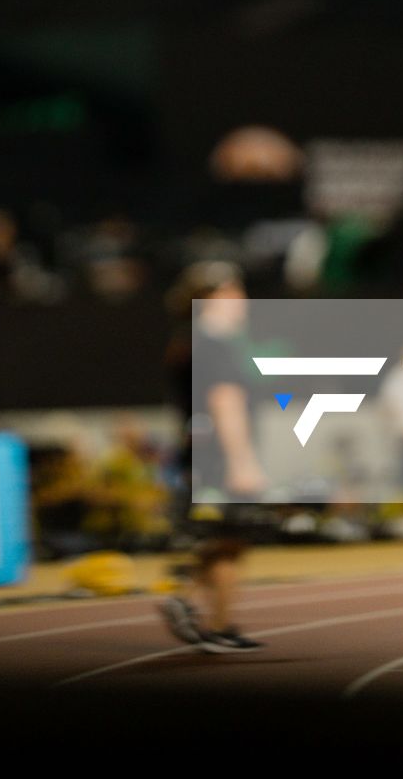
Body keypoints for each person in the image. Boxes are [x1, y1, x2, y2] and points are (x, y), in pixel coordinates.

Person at [157, 262, 265, 654]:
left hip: (200, 451)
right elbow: (225, 401)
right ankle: (201, 610)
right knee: (225, 538)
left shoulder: (189, 341)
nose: (244, 300)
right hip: (218, 455)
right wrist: (241, 460)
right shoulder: (214, 345)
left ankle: (197, 606)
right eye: (235, 292)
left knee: (227, 540)